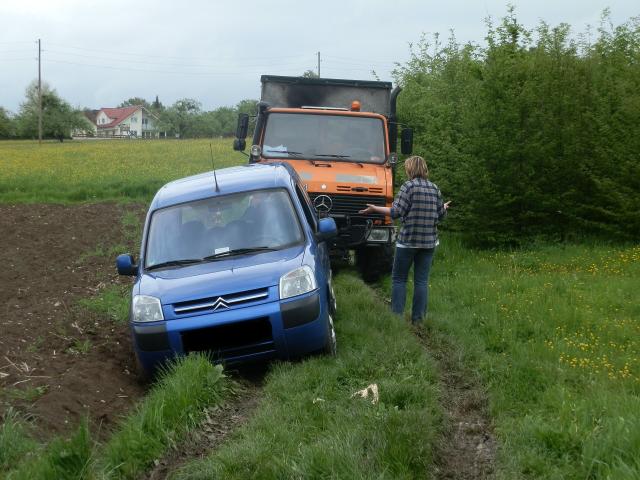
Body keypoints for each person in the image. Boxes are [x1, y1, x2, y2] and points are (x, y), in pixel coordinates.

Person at [359, 156, 450, 324]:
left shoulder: (408, 187)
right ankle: (418, 319)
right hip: (429, 243)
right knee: (421, 281)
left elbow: (396, 212)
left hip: (407, 242)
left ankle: (397, 318)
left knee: (399, 279)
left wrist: (374, 208)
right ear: (424, 169)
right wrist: (443, 207)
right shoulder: (434, 188)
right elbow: (441, 215)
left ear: (410, 169)